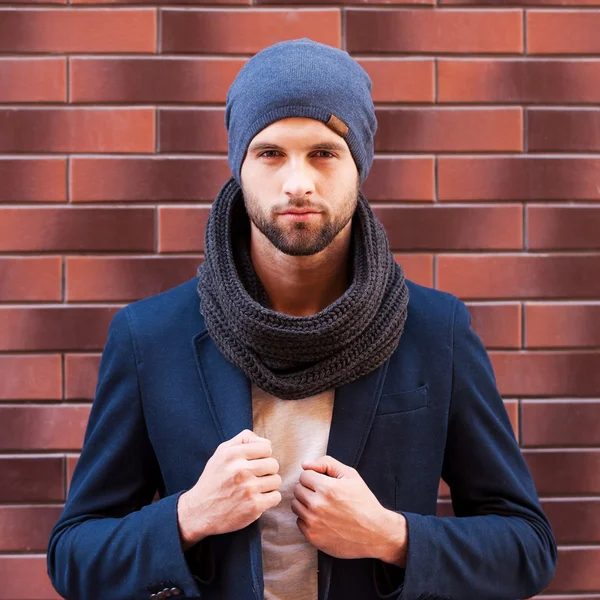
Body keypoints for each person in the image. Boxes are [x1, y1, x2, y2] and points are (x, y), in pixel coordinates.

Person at [47, 38, 557, 600]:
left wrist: (391, 536)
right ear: (239, 166)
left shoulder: (436, 332)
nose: (297, 183)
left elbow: (527, 548)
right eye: (270, 153)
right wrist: (188, 516)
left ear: (358, 164)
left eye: (323, 152)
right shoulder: (151, 337)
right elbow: (74, 556)